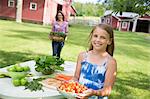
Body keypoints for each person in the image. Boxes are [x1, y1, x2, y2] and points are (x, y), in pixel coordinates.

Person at [73, 24, 117, 99]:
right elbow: (76, 77)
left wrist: (94, 92)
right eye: (95, 36)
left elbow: (107, 90)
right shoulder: (82, 56)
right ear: (91, 37)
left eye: (102, 37)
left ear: (109, 41)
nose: (98, 40)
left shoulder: (110, 62)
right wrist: (75, 84)